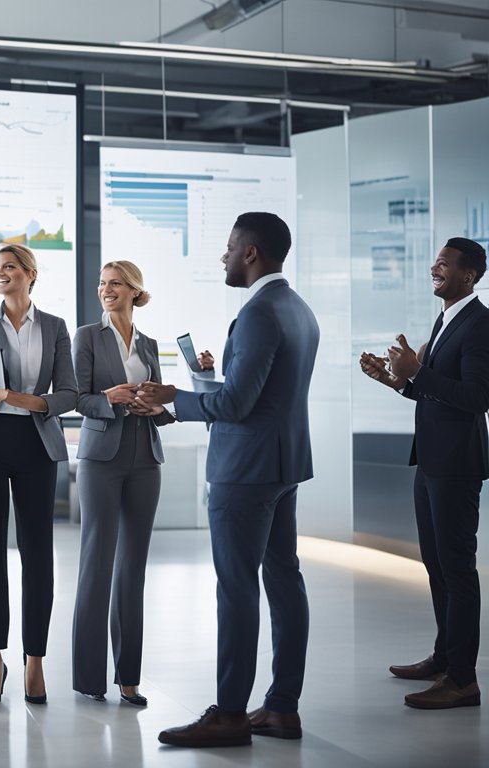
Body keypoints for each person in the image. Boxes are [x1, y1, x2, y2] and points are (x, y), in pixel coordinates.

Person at [139, 212, 318, 748]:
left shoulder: (258, 314)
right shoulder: (298, 309)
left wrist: (175, 398)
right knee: (284, 580)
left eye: (229, 246)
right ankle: (282, 707)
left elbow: (237, 405)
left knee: (236, 588)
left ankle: (233, 714)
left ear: (251, 253)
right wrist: (204, 385)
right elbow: (260, 396)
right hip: (283, 467)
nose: (222, 255)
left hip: (245, 472)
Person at [360, 237, 489, 710]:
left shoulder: (480, 324)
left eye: (445, 263)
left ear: (470, 275)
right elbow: (438, 393)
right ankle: (444, 658)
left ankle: (463, 680)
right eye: (435, 261)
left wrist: (417, 371)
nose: (435, 268)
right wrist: (398, 381)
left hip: (456, 465)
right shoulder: (447, 318)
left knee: (457, 571)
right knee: (436, 567)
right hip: (431, 460)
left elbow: (477, 398)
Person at [0, 243, 77, 707]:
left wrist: (10, 395)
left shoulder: (55, 327)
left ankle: (35, 661)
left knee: (37, 553)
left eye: (8, 267)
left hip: (37, 444)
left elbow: (66, 395)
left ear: (30, 274)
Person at [69, 260, 174, 707]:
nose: (106, 290)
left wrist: (159, 410)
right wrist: (108, 399)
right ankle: (90, 678)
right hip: (101, 458)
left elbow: (160, 401)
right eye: (102, 284)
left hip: (145, 458)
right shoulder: (87, 337)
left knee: (133, 568)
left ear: (134, 290)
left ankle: (128, 677)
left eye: (115, 284)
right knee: (97, 564)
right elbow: (77, 399)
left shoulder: (148, 344)